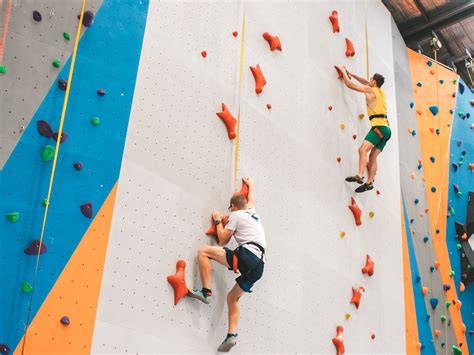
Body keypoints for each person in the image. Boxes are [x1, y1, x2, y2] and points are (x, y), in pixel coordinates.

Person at [188, 177, 266, 352]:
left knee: (203, 251)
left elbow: (223, 240)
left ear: (233, 207)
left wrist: (217, 221)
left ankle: (206, 292)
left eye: (230, 208)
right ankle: (232, 335)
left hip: (248, 256)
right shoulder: (253, 212)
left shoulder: (236, 215)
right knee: (232, 298)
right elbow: (251, 199)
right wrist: (251, 185)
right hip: (259, 266)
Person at [339, 67, 391, 193]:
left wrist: (344, 72)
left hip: (378, 127)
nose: (369, 80)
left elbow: (350, 84)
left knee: (362, 150)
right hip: (387, 130)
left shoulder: (370, 90)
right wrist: (352, 73)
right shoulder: (380, 92)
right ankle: (370, 182)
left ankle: (360, 175)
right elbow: (364, 82)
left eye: (371, 79)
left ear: (374, 82)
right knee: (373, 157)